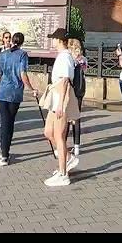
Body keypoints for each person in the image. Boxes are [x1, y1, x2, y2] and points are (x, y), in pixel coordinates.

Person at [40, 28, 79, 187]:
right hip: (55, 99)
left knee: (59, 136)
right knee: (48, 132)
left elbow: (64, 81)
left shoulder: (65, 57)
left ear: (59, 40)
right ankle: (68, 158)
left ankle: (63, 174)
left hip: (60, 100)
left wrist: (61, 104)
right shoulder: (62, 56)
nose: (53, 41)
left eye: (54, 39)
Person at [0, 32, 38, 166]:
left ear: (12, 40)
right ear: (22, 42)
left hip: (2, 91)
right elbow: (23, 74)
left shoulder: (3, 54)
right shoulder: (22, 55)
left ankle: (4, 152)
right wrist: (31, 89)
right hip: (15, 93)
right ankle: (5, 153)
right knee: (10, 122)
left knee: (4, 122)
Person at [63, 37, 88, 163]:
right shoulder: (83, 59)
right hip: (81, 90)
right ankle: (77, 145)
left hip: (71, 89)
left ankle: (63, 144)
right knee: (77, 117)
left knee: (67, 117)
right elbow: (85, 70)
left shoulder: (70, 59)